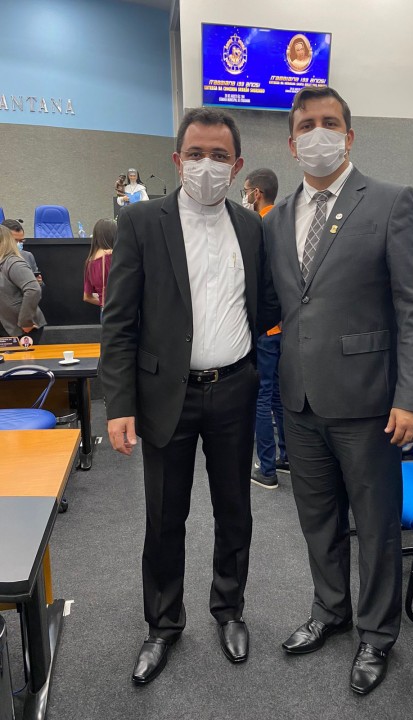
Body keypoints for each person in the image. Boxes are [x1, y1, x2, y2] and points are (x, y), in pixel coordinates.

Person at [263, 86, 413, 695]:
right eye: (306, 125)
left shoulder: (392, 202)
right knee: (318, 519)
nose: (319, 133)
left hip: (370, 402)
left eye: (329, 122)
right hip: (299, 399)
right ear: (292, 144)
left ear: (349, 134)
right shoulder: (277, 220)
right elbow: (279, 305)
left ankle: (377, 634)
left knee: (376, 524)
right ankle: (330, 610)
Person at [100, 107, 279, 686]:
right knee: (164, 516)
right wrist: (120, 404)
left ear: (238, 165)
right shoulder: (140, 222)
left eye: (219, 156)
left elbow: (265, 305)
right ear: (177, 160)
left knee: (235, 511)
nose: (207, 165)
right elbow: (118, 321)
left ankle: (229, 609)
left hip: (234, 389)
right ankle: (162, 624)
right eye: (196, 154)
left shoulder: (251, 227)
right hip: (163, 396)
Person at [242, 169, 289, 489]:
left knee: (262, 397)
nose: (244, 195)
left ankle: (267, 468)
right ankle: (286, 457)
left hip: (265, 328)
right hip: (285, 325)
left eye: (245, 190)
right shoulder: (285, 223)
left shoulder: (258, 227)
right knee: (278, 396)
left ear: (256, 193)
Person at [0, 225, 46, 343]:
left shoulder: (13, 262)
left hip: (22, 329)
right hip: (5, 325)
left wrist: (25, 322)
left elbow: (33, 290)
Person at [83, 218, 116, 320]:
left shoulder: (90, 262)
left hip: (105, 312)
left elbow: (87, 297)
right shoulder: (116, 256)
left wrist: (103, 301)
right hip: (121, 312)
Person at [1, 219, 43, 285]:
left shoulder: (28, 256)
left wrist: (39, 283)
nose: (18, 244)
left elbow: (39, 286)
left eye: (21, 241)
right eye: (14, 241)